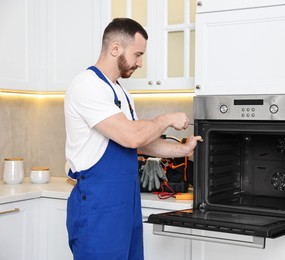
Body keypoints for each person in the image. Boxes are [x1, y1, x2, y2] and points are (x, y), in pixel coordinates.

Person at [64, 18, 202, 260]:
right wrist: (167, 118)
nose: (140, 63)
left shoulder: (121, 92)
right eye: (137, 54)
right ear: (115, 48)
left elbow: (142, 141)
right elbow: (131, 136)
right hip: (98, 209)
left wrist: (184, 150)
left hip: (126, 207)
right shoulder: (86, 86)